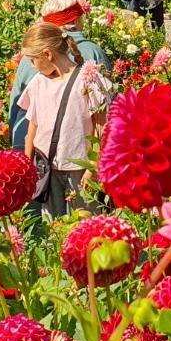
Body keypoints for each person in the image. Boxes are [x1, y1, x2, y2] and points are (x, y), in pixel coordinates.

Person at [18, 21, 107, 218]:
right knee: (53, 222)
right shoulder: (39, 83)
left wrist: (93, 168)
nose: (32, 66)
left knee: (86, 219)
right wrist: (27, 163)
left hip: (80, 168)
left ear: (48, 55)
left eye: (33, 60)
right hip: (48, 167)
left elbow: (101, 128)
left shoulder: (87, 79)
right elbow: (33, 126)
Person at [8, 0, 111, 150]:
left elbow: (15, 106)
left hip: (28, 143)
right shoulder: (93, 52)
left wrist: (15, 142)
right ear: (76, 21)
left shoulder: (31, 56)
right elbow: (107, 105)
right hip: (75, 151)